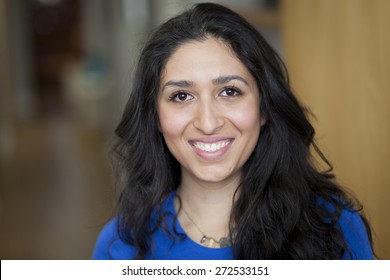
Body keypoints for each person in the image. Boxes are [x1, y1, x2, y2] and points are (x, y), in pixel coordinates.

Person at [92, 3, 374, 260]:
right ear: (155, 116)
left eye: (230, 91)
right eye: (181, 96)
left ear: (265, 107)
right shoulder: (119, 245)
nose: (208, 122)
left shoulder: (334, 227)